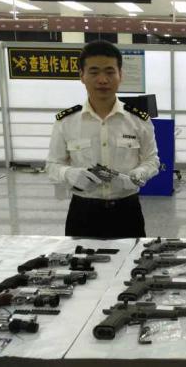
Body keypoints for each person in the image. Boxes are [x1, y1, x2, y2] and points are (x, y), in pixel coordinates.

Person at [46, 40, 159, 238]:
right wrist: (70, 174)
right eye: (94, 72)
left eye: (109, 72)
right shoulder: (66, 121)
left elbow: (152, 160)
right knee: (79, 258)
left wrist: (138, 174)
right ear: (81, 76)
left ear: (120, 75)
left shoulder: (138, 120)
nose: (102, 80)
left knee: (131, 258)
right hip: (83, 212)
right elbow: (52, 165)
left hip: (127, 211)